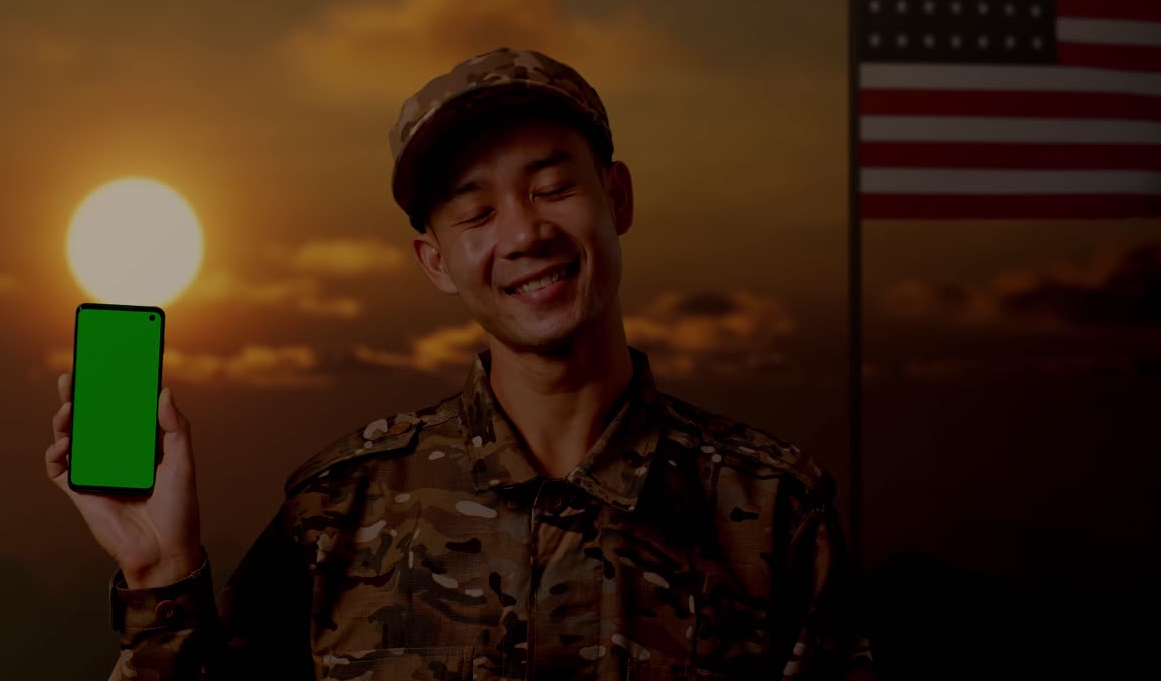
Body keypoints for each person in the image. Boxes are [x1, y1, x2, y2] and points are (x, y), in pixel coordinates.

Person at [47, 47, 874, 680]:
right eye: (475, 211)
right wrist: (159, 570)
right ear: (435, 260)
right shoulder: (340, 511)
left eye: (552, 187)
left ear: (616, 197)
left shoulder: (773, 509)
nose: (523, 234)